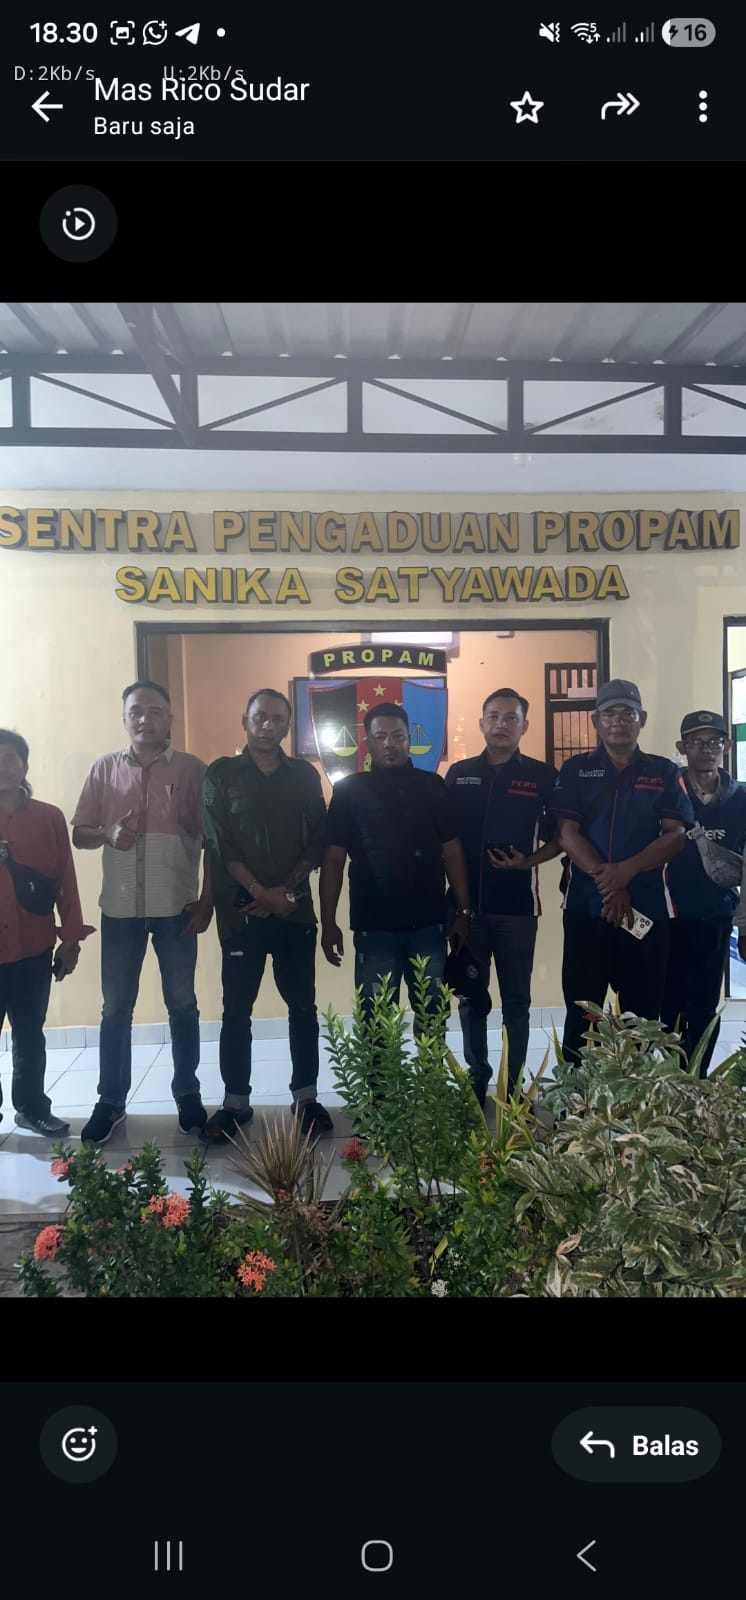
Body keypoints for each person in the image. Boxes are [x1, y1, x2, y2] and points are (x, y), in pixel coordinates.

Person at [72, 680, 213, 1145]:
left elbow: (214, 841)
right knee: (115, 1009)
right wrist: (107, 833)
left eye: (155, 711)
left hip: (177, 907)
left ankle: (188, 1095)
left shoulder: (193, 770)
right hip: (120, 909)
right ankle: (110, 1101)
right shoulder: (104, 769)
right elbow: (80, 834)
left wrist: (207, 899)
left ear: (170, 718)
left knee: (183, 1005)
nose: (145, 719)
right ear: (124, 718)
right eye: (136, 711)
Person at [201, 688, 332, 1142]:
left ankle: (306, 1099)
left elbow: (318, 838)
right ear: (245, 720)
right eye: (260, 717)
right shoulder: (220, 774)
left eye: (278, 719)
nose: (268, 725)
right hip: (242, 913)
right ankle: (235, 1104)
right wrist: (261, 892)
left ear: (287, 726)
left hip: (294, 912)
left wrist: (285, 891)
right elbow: (219, 842)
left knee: (303, 1008)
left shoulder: (304, 775)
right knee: (236, 1011)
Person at [551, 679, 693, 1064]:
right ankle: (578, 1099)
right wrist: (610, 883)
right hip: (586, 909)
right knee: (582, 1013)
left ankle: (639, 1095)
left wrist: (626, 872)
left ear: (641, 719)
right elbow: (566, 833)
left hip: (646, 911)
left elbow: (676, 835)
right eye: (610, 713)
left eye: (628, 713)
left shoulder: (664, 772)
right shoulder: (576, 770)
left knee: (644, 1015)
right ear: (595, 720)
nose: (619, 721)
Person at [320, 703, 471, 1026]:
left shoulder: (433, 786)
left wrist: (464, 911)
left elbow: (453, 852)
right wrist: (328, 921)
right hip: (374, 925)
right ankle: (379, 1067)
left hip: (428, 924)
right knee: (376, 1024)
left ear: (408, 739)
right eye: (380, 737)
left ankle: (429, 1066)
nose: (389, 743)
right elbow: (333, 860)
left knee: (432, 1020)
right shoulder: (348, 792)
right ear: (368, 742)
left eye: (398, 736)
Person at [444, 688, 560, 1105]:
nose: (501, 724)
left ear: (524, 726)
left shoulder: (543, 777)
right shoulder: (459, 774)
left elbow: (562, 837)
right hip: (466, 911)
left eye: (511, 718)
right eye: (493, 716)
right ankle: (477, 1079)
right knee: (471, 998)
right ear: (481, 723)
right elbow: (443, 838)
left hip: (517, 910)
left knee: (516, 1002)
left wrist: (529, 862)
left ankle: (512, 1087)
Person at [0, 729, 93, 1136]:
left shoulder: (49, 817)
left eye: (10, 758)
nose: (3, 766)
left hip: (33, 945)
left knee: (29, 1034)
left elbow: (65, 880)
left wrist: (70, 938)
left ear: (24, 765)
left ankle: (32, 1108)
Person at [661, 710, 746, 1076]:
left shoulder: (741, 799)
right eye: (696, 741)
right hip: (667, 916)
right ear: (682, 748)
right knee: (668, 1007)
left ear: (727, 747)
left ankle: (697, 1083)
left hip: (715, 918)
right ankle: (671, 1084)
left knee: (704, 1008)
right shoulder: (666, 794)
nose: (706, 749)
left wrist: (744, 925)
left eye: (714, 741)